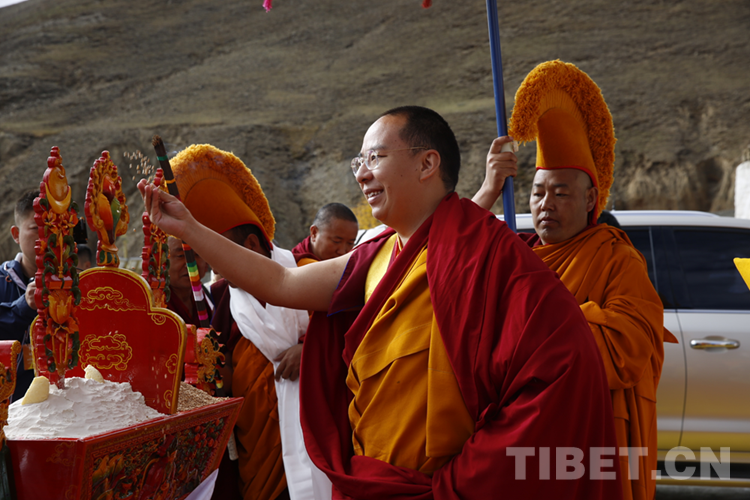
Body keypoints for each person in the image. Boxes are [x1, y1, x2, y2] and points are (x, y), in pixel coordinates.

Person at [140, 106, 623, 499]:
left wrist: (469, 477)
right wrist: (190, 229)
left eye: (374, 157)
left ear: (427, 164)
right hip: (375, 482)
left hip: (452, 486)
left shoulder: (488, 257)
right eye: (359, 163)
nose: (363, 174)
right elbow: (281, 283)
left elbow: (563, 368)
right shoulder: (375, 258)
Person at [476, 60, 676, 500]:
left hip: (588, 438)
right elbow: (443, 262)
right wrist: (488, 190)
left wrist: (538, 318)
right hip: (523, 433)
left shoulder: (617, 260)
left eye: (561, 192)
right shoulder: (517, 257)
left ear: (590, 200)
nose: (545, 204)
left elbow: (627, 348)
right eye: (537, 192)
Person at [167, 144, 316, 500]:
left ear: (251, 243)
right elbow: (222, 368)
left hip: (314, 440)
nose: (217, 269)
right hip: (256, 454)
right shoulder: (223, 297)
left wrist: (309, 349)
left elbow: (350, 338)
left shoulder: (308, 276)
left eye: (224, 255)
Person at [1, 189, 39, 402]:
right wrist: (24, 306)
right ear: (16, 234)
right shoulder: (2, 279)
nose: (46, 237)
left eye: (54, 229)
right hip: (10, 406)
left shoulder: (76, 283)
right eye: (35, 228)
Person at [166, 236, 213, 326]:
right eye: (180, 256)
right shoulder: (154, 301)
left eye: (197, 255)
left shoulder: (210, 295)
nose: (191, 264)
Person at [292, 203, 358, 265]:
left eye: (350, 243)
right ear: (314, 233)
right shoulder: (294, 266)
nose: (342, 252)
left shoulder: (350, 265)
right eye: (336, 241)